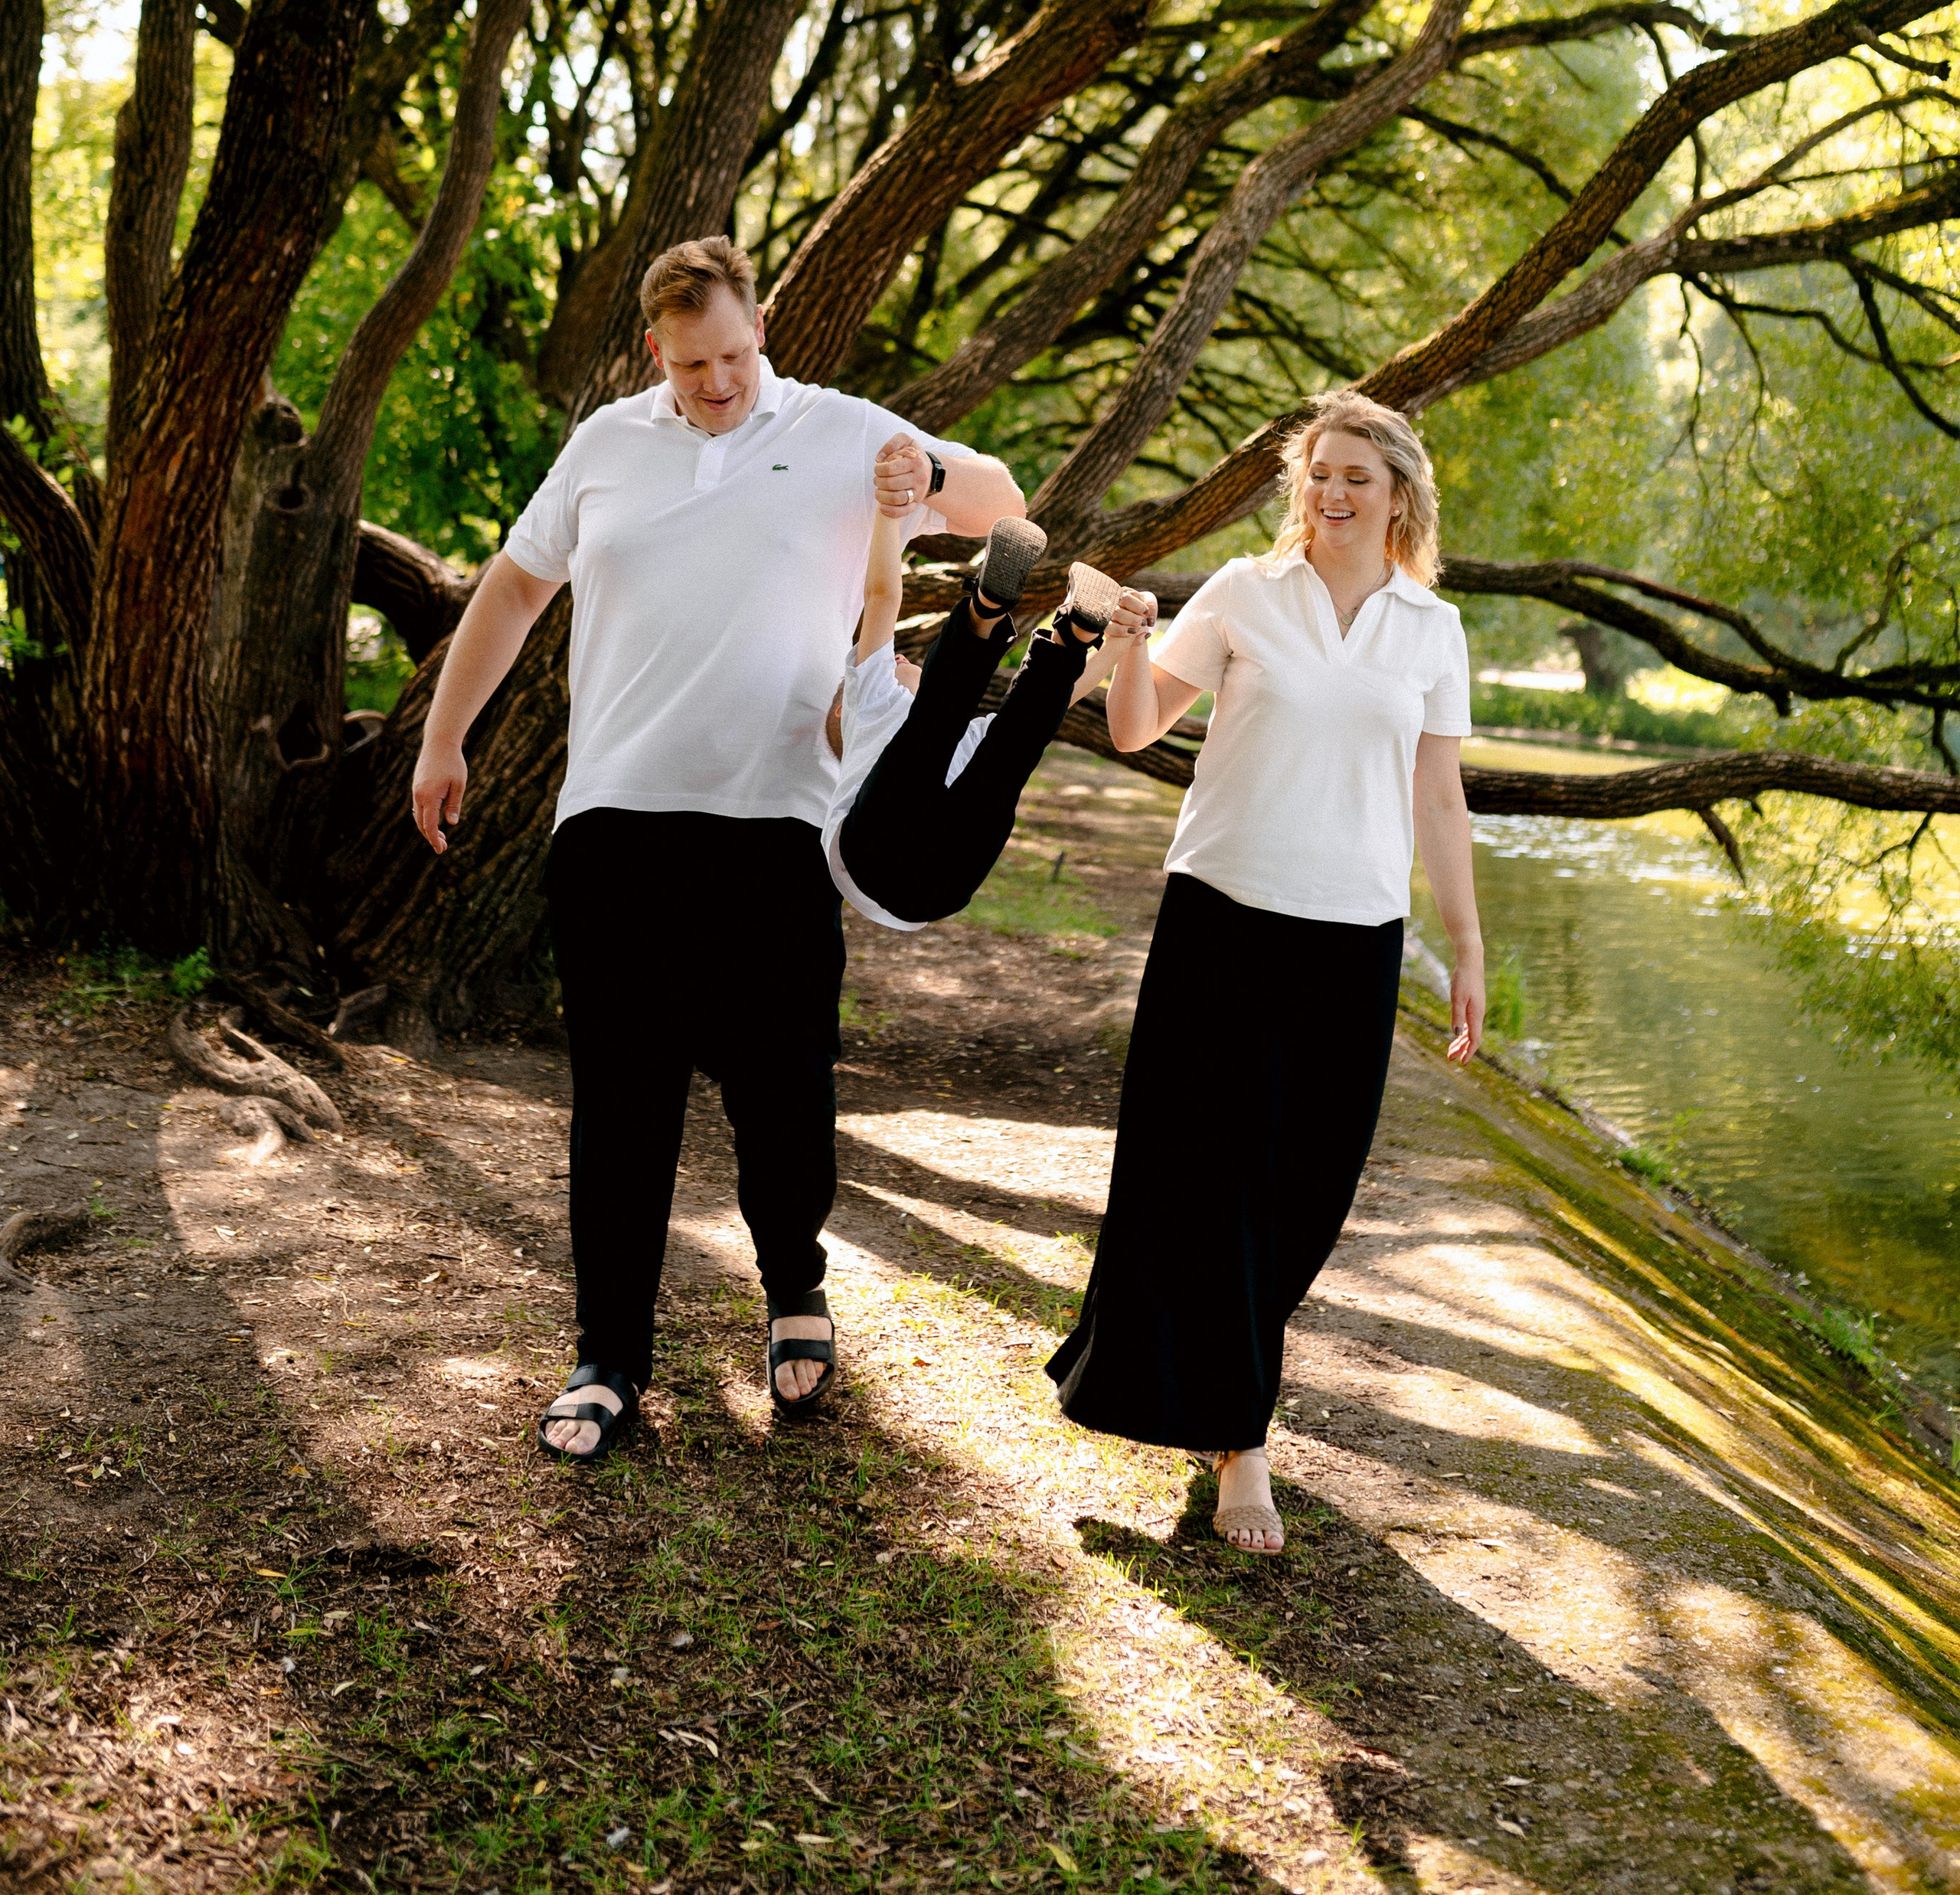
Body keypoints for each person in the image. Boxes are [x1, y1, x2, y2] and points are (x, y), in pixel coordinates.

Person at [409, 235, 1024, 1459]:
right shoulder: (607, 448)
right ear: (658, 351)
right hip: (615, 824)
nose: (721, 382)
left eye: (738, 355)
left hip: (776, 825)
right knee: (620, 1106)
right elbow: (516, 589)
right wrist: (444, 739)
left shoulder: (843, 429)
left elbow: (1004, 507)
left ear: (761, 334)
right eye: (695, 365)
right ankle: (607, 1359)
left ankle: (794, 1286)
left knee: (783, 1097)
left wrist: (932, 464)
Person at [1045, 388, 1485, 1554]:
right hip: (1223, 919)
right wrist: (1129, 649)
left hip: (1352, 937)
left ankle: (1222, 1397)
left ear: (1399, 499)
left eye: (1358, 478)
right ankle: (1245, 1445)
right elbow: (1138, 730)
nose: (1334, 494)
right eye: (1321, 474)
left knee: (1303, 1200)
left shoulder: (1430, 630)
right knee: (1204, 1177)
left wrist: (1469, 950)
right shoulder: (1245, 592)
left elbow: (1437, 796)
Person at [825, 507, 1153, 932]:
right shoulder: (870, 700)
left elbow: (1044, 709)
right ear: (842, 708)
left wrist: (1110, 645)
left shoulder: (877, 706)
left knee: (991, 743)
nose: (898, 655)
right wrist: (888, 514)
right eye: (896, 658)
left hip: (931, 884)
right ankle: (1017, 619)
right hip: (891, 860)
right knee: (984, 741)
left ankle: (1023, 619)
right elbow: (884, 598)